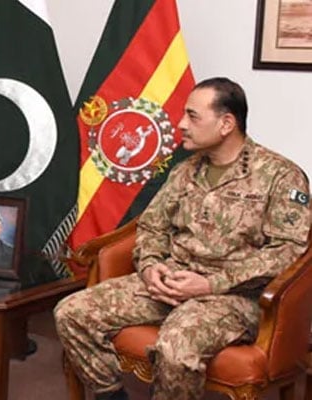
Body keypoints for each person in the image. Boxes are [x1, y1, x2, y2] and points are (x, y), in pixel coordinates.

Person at [54, 77, 311, 400]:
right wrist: (150, 268)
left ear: (226, 123)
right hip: (170, 282)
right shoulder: (185, 170)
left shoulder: (281, 176)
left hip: (234, 297)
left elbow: (288, 252)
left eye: (193, 116)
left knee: (177, 347)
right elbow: (151, 228)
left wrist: (210, 284)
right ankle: (112, 396)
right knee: (71, 312)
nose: (180, 124)